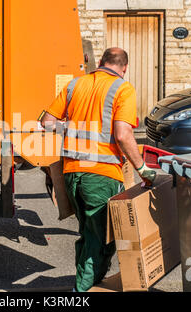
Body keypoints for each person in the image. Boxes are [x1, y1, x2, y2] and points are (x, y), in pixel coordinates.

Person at [40, 47, 156, 292]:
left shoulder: (75, 85)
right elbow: (123, 136)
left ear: (101, 62)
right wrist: (143, 168)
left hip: (72, 174)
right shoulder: (123, 88)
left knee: (89, 234)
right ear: (124, 67)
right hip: (101, 175)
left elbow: (46, 123)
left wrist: (71, 130)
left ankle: (88, 282)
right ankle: (83, 291)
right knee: (102, 238)